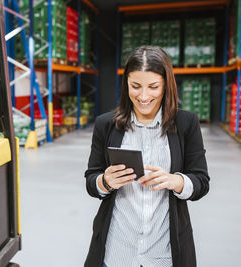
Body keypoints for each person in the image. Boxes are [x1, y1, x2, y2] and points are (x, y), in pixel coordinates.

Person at [84, 46, 210, 267]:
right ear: (126, 85)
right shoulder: (106, 125)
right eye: (135, 86)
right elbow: (91, 179)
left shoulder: (186, 124)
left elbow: (201, 181)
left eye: (153, 87)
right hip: (117, 251)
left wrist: (176, 181)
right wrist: (105, 181)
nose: (143, 96)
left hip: (164, 254)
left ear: (166, 86)